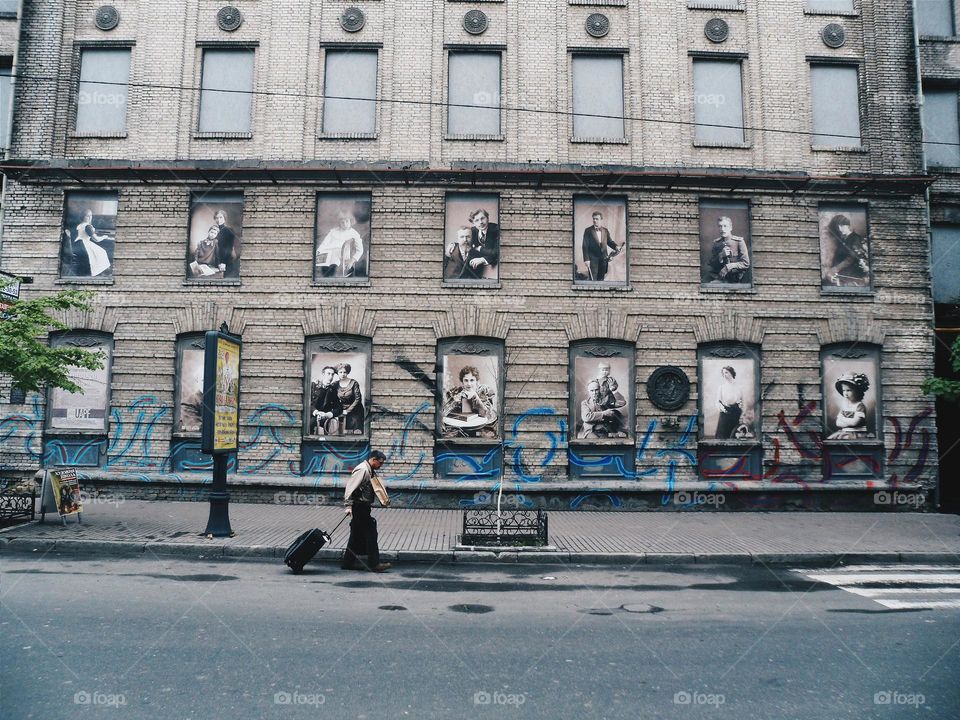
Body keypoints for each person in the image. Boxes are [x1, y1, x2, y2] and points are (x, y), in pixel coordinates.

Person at [341, 450, 391, 572]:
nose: (380, 466)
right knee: (371, 534)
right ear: (373, 459)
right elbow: (350, 488)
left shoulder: (369, 469)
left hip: (363, 507)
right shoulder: (363, 470)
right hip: (360, 507)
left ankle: (347, 563)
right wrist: (348, 506)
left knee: (356, 536)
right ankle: (374, 564)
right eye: (380, 463)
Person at [441, 365, 497, 437]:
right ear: (462, 382)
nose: (469, 384)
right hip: (462, 428)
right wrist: (455, 401)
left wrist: (476, 397)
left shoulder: (484, 390)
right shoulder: (458, 391)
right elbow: (443, 413)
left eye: (472, 380)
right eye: (466, 380)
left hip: (482, 429)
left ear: (477, 381)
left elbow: (485, 414)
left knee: (487, 436)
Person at [823, 214, 870, 287]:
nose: (840, 229)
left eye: (842, 226)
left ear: (847, 225)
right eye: (838, 227)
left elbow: (851, 258)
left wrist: (835, 269)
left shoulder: (855, 238)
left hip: (852, 273)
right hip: (843, 272)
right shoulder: (844, 240)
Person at [316, 211, 365, 279]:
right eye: (342, 222)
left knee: (332, 269)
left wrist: (352, 260)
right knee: (323, 270)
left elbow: (360, 250)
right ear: (339, 223)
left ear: (351, 221)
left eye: (347, 221)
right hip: (328, 254)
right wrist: (319, 252)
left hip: (341, 256)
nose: (345, 224)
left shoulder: (354, 234)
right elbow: (324, 243)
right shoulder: (333, 231)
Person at [827, 372, 872, 440]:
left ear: (857, 391)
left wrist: (843, 419)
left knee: (843, 438)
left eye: (848, 390)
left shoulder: (859, 406)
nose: (846, 393)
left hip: (857, 433)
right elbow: (838, 423)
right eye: (844, 390)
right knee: (831, 438)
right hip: (845, 432)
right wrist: (848, 422)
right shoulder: (844, 405)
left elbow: (855, 422)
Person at [707, 216, 750, 284]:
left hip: (736, 279)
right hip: (720, 278)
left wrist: (729, 266)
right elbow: (711, 264)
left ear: (730, 228)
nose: (722, 229)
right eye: (720, 226)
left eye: (725, 226)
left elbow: (746, 264)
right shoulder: (716, 243)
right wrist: (720, 256)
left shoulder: (739, 242)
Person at [581, 211, 621, 282]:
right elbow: (585, 246)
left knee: (601, 279)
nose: (595, 221)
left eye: (597, 219)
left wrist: (616, 247)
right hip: (593, 260)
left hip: (604, 259)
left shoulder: (605, 231)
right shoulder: (588, 230)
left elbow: (609, 242)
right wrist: (586, 259)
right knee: (593, 279)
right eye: (594, 219)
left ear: (601, 220)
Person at [72, 209, 113, 277]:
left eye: (91, 215)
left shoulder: (80, 225)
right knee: (102, 252)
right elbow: (96, 240)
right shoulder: (88, 226)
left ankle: (102, 270)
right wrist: (104, 237)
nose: (90, 217)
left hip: (78, 244)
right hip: (84, 244)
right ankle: (99, 271)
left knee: (99, 253)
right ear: (83, 216)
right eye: (87, 216)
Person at [715, 365, 744, 439]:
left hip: (735, 413)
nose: (725, 375)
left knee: (734, 435)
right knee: (722, 435)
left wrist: (740, 410)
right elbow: (718, 402)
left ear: (731, 373)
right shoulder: (721, 387)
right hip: (725, 413)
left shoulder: (738, 387)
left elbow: (741, 401)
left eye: (726, 372)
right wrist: (722, 408)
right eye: (723, 373)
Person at [312, 366, 343, 435]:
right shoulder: (313, 386)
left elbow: (339, 407)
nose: (330, 376)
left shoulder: (332, 390)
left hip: (325, 418)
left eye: (332, 374)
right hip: (312, 416)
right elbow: (307, 403)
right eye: (328, 374)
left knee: (333, 425)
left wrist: (329, 414)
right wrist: (316, 412)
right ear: (323, 374)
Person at [335, 362, 364, 434]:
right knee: (341, 432)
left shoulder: (354, 383)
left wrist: (347, 411)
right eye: (340, 372)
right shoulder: (335, 384)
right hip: (342, 410)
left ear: (347, 372)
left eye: (345, 372)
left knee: (356, 432)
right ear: (337, 373)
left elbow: (358, 399)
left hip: (355, 410)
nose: (343, 374)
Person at [214, 209, 239, 278]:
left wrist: (223, 262)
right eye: (216, 218)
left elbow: (229, 247)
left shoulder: (228, 230)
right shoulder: (215, 230)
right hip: (217, 260)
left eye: (221, 217)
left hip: (226, 260)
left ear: (225, 218)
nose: (218, 220)